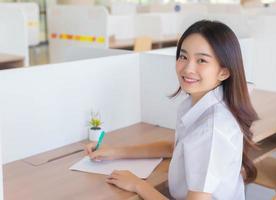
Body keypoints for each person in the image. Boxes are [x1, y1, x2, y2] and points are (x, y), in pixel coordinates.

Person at [85, 20, 258, 200]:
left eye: (201, 60)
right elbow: (175, 149)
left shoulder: (212, 129)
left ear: (224, 72)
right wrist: (115, 152)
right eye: (183, 57)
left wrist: (138, 185)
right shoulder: (200, 102)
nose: (188, 68)